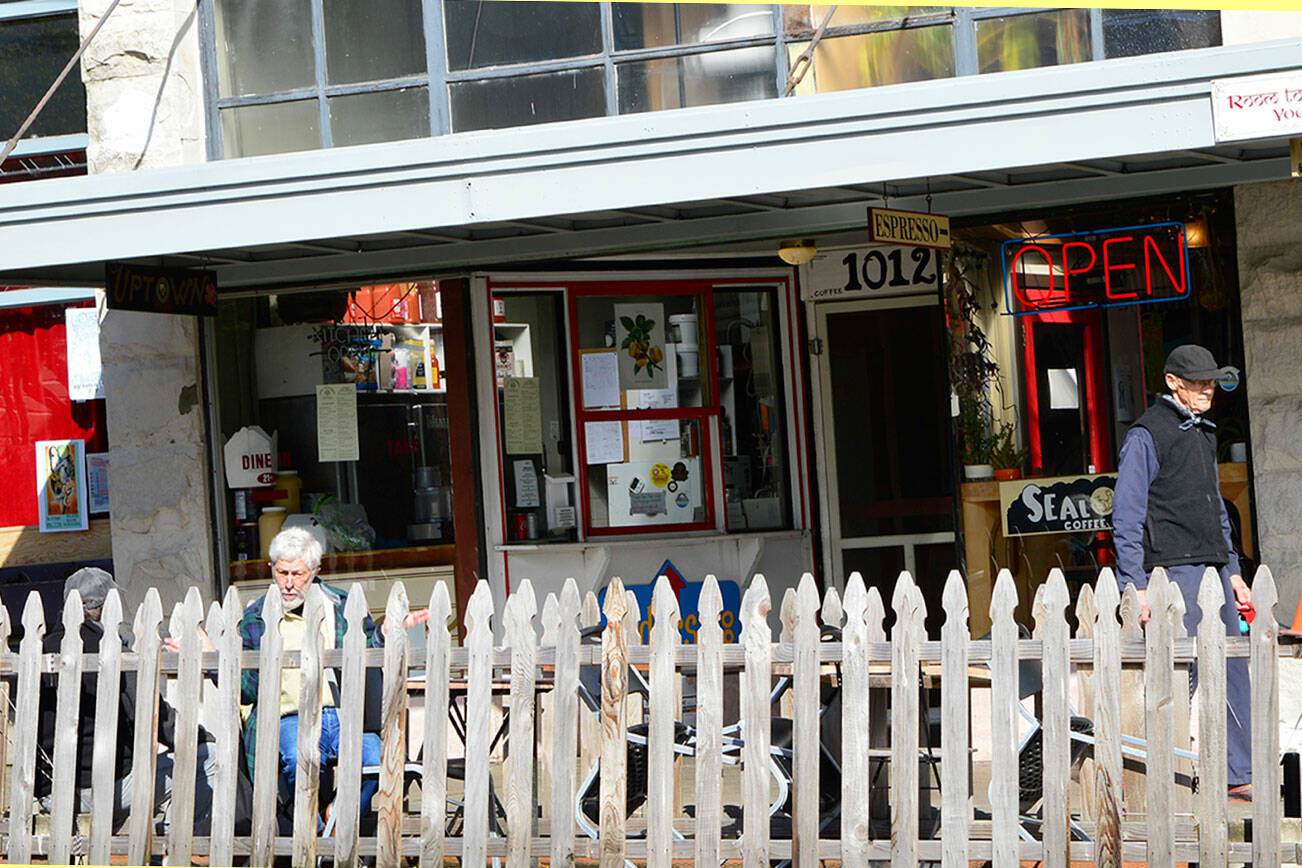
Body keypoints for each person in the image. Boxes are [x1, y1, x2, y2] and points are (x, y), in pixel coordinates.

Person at [1112, 343, 1253, 801]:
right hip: (1170, 571)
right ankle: (1165, 778)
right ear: (1173, 382)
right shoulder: (1145, 435)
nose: (1207, 389)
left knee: (1232, 666)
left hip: (1213, 570)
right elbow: (1127, 516)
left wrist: (1232, 570)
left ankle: (1239, 773)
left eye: (1211, 381)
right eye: (1198, 382)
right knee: (1179, 677)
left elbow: (1215, 509)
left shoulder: (1204, 432)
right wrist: (1133, 586)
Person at [238, 527, 429, 824]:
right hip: (289, 716)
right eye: (282, 572)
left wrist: (385, 632)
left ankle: (335, 818)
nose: (288, 583)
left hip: (343, 716)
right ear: (271, 569)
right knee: (297, 760)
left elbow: (365, 647)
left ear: (316, 570)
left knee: (380, 762)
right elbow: (246, 689)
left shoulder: (341, 606)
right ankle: (312, 829)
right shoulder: (257, 617)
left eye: (297, 574)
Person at [36, 566, 218, 832]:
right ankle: (168, 842)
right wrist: (200, 737)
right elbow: (156, 716)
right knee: (210, 758)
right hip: (102, 789)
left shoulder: (41, 648)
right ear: (109, 605)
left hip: (49, 792)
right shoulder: (111, 649)